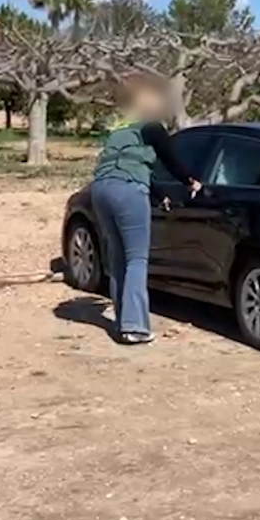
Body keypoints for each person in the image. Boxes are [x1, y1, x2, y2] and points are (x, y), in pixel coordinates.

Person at [90, 76, 201, 344]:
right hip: (128, 190)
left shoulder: (120, 132)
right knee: (136, 259)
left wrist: (157, 193)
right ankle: (135, 327)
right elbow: (169, 158)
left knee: (117, 258)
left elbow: (132, 163)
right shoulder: (152, 127)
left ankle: (121, 321)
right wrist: (189, 180)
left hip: (100, 189)